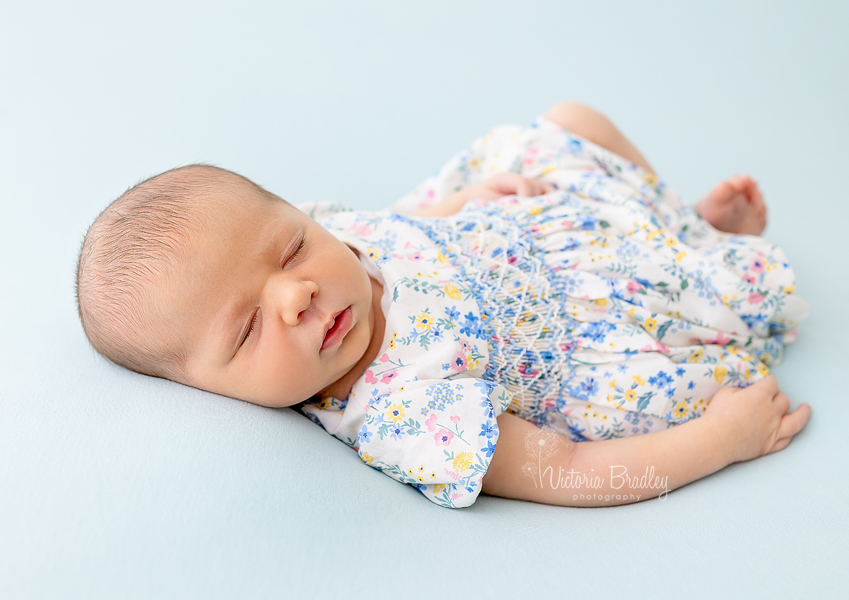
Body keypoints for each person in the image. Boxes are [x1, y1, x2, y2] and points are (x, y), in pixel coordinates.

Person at [76, 102, 811, 508]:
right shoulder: (401, 412)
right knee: (700, 326)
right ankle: (704, 254)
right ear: (209, 391)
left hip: (547, 225)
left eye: (292, 248)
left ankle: (679, 219)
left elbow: (393, 220)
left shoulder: (333, 240)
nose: (296, 294)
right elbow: (566, 468)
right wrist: (719, 444)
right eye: (247, 328)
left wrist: (460, 203)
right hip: (600, 326)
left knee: (574, 119)